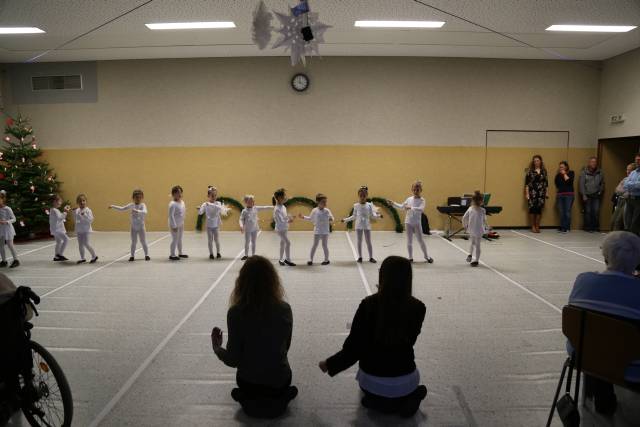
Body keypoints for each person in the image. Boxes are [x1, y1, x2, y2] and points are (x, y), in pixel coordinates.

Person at [319, 256, 427, 417]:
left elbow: (354, 348)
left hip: (372, 381)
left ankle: (378, 402)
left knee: (374, 393)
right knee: (406, 388)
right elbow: (409, 340)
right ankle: (404, 399)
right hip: (407, 379)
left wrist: (329, 364)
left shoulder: (368, 305)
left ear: (382, 276)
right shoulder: (419, 307)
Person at [211, 256, 297, 418]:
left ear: (242, 282)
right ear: (273, 281)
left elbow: (233, 360)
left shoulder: (236, 313)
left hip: (248, 383)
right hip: (279, 380)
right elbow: (286, 347)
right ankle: (282, 396)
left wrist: (217, 348)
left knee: (242, 389)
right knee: (282, 382)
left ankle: (247, 398)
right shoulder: (285, 309)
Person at [568, 231, 640, 415]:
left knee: (600, 339)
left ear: (605, 256)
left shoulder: (583, 280)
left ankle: (601, 397)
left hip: (584, 354)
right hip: (630, 368)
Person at [388, 181, 434, 264]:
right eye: (414, 190)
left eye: (418, 190)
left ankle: (426, 256)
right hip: (408, 222)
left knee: (421, 240)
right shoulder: (409, 199)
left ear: (421, 190)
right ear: (412, 190)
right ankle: (410, 257)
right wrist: (393, 203)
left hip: (417, 223)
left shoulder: (422, 200)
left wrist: (411, 207)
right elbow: (402, 207)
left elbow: (421, 209)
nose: (416, 191)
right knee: (409, 241)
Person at [342, 186, 382, 263]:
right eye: (361, 196)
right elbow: (354, 216)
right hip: (359, 226)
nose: (362, 197)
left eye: (364, 196)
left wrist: (379, 216)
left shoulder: (369, 205)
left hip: (367, 226)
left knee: (368, 241)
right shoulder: (356, 205)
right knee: (359, 241)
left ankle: (371, 257)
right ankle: (360, 257)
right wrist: (345, 220)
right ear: (358, 196)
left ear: (366, 196)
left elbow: (372, 215)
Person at [109, 188, 150, 261]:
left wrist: (137, 211)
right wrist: (113, 206)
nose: (138, 199)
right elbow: (122, 208)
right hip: (133, 227)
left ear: (142, 198)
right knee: (134, 242)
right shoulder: (131, 205)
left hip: (141, 227)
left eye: (139, 197)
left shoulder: (143, 205)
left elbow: (145, 212)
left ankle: (146, 255)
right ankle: (132, 256)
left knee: (143, 241)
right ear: (133, 198)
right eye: (136, 197)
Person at [299, 193, 334, 265]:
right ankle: (310, 259)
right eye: (323, 202)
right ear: (318, 202)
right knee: (315, 245)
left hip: (325, 232)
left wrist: (331, 219)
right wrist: (303, 217)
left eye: (325, 202)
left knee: (324, 245)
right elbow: (310, 218)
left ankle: (326, 260)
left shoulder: (327, 211)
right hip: (317, 231)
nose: (325, 203)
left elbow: (332, 218)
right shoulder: (314, 210)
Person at [239, 195, 272, 260]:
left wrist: (274, 207)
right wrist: (241, 226)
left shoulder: (255, 208)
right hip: (248, 229)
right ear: (246, 202)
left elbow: (265, 207)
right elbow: (241, 219)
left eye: (253, 201)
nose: (252, 202)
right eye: (250, 201)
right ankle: (246, 255)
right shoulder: (244, 211)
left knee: (253, 242)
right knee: (247, 242)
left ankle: (253, 255)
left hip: (255, 228)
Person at [198, 186, 227, 260]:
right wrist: (200, 208)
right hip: (209, 225)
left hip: (216, 225)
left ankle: (218, 253)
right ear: (208, 196)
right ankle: (211, 254)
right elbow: (201, 213)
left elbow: (220, 209)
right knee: (210, 240)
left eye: (215, 195)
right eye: (212, 195)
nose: (214, 197)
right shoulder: (205, 204)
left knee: (217, 240)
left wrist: (210, 205)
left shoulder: (218, 203)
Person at [579, 156, 604, 232]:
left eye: (595, 162)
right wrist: (583, 195)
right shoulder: (584, 172)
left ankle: (595, 227)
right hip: (587, 195)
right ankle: (588, 227)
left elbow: (602, 183)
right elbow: (581, 184)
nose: (594, 163)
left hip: (596, 195)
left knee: (596, 211)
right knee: (588, 212)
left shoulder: (600, 172)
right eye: (592, 162)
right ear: (589, 163)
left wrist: (600, 190)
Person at [462, 191, 487, 267]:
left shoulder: (470, 208)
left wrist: (465, 226)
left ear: (473, 200)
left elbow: (464, 218)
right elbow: (484, 220)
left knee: (472, 243)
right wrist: (487, 227)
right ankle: (476, 260)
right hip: (479, 230)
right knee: (478, 245)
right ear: (481, 201)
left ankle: (470, 254)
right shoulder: (483, 210)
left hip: (471, 229)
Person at [524, 155, 548, 233]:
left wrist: (546, 193)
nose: (536, 162)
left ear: (540, 161)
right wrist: (527, 194)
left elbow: (546, 183)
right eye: (534, 161)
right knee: (532, 209)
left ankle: (537, 225)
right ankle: (533, 226)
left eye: (537, 160)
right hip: (532, 193)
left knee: (539, 210)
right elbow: (527, 184)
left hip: (541, 193)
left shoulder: (544, 171)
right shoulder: (530, 171)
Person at [273, 188, 296, 266]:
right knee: (288, 243)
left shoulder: (283, 207)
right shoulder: (277, 209)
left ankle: (281, 259)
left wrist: (289, 217)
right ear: (279, 198)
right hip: (280, 229)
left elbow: (284, 217)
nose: (285, 198)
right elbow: (280, 220)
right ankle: (287, 259)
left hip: (284, 228)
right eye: (284, 197)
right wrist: (289, 220)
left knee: (282, 243)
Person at [74, 194, 98, 264]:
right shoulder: (77, 210)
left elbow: (91, 220)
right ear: (77, 202)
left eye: (83, 201)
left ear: (86, 201)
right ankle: (82, 258)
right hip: (79, 230)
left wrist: (84, 215)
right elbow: (76, 220)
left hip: (86, 230)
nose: (82, 202)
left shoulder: (88, 210)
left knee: (86, 243)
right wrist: (74, 213)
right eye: (80, 201)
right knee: (80, 244)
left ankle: (94, 256)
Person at [611, 163, 635, 231]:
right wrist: (625, 190)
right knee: (613, 220)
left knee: (618, 221)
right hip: (619, 201)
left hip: (627, 202)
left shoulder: (634, 181)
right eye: (627, 170)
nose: (628, 171)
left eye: (630, 170)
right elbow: (617, 190)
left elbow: (629, 193)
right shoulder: (625, 179)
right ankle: (613, 236)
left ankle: (618, 239)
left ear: (633, 172)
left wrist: (624, 191)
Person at [554, 161, 575, 233]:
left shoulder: (571, 173)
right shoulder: (557, 176)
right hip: (560, 195)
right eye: (560, 167)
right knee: (561, 212)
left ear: (566, 167)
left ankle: (567, 228)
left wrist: (564, 174)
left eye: (562, 167)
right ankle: (563, 227)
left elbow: (569, 182)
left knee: (567, 212)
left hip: (569, 195)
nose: (561, 168)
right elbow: (557, 185)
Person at [168, 185, 187, 261]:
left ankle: (180, 253)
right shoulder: (172, 204)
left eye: (180, 192)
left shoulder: (182, 202)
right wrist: (174, 226)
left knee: (180, 239)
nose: (179, 194)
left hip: (181, 223)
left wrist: (182, 221)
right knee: (175, 239)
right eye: (177, 193)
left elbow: (183, 211)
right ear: (173, 194)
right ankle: (172, 254)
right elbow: (171, 216)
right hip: (174, 225)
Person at [0, 192, 19, 268]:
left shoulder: (7, 208)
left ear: (3, 199)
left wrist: (6, 222)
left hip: (8, 229)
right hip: (0, 229)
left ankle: (16, 260)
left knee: (10, 245)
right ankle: (4, 261)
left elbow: (14, 219)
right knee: (0, 245)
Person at [49, 195, 70, 262]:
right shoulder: (55, 210)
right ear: (55, 202)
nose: (61, 203)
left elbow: (60, 218)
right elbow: (60, 217)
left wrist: (65, 212)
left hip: (55, 229)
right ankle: (60, 254)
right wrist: (65, 212)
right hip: (57, 230)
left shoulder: (53, 210)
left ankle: (56, 256)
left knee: (58, 242)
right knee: (66, 239)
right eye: (60, 201)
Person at [623, 153, 640, 235]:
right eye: (636, 160)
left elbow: (639, 185)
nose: (637, 162)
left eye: (639, 160)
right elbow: (625, 185)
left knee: (635, 223)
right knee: (628, 222)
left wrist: (631, 184)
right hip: (630, 199)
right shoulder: (633, 172)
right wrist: (633, 184)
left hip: (638, 200)